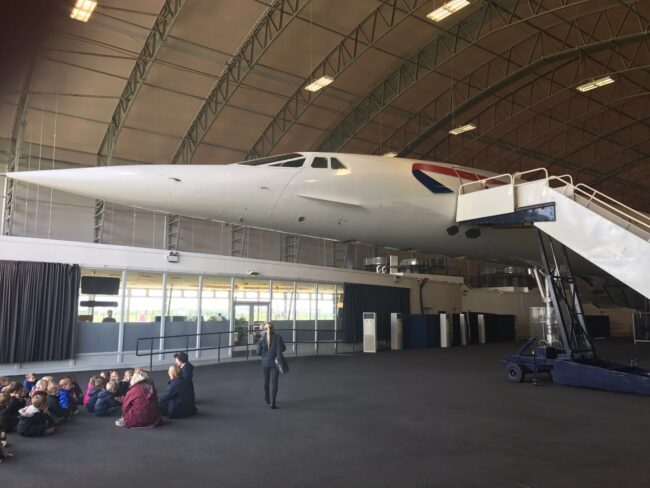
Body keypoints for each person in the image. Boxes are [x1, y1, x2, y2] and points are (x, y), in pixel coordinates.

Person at [256, 322, 287, 410]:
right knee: (274, 382)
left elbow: (258, 352)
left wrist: (265, 353)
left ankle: (267, 397)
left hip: (265, 363)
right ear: (273, 328)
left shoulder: (261, 339)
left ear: (264, 329)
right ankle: (273, 400)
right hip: (276, 363)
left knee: (266, 380)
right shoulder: (278, 337)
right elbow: (283, 348)